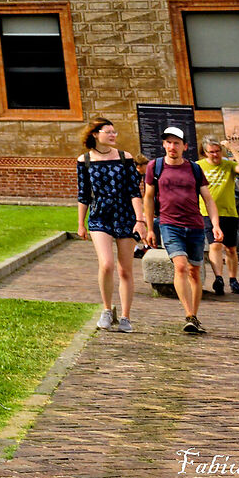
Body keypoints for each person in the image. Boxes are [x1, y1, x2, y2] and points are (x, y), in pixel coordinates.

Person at [143, 125, 225, 334]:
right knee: (180, 266)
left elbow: (208, 198)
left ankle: (194, 316)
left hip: (195, 226)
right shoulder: (156, 166)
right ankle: (188, 314)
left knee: (194, 272)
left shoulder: (194, 169)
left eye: (176, 143)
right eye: (168, 142)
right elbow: (149, 197)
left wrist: (215, 225)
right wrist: (149, 227)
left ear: (184, 146)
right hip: (170, 224)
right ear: (163, 145)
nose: (172, 146)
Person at [74, 116, 143, 333]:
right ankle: (106, 309)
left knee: (125, 269)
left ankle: (125, 316)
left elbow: (134, 192)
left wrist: (140, 221)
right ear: (95, 134)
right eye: (108, 131)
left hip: (125, 215)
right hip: (99, 215)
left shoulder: (125, 158)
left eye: (114, 132)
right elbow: (83, 195)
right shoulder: (84, 160)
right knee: (106, 265)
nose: (113, 135)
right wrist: (81, 224)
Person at [198, 139, 239, 296]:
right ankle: (219, 278)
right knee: (215, 244)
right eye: (211, 152)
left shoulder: (228, 165)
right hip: (206, 212)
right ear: (204, 153)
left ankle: (233, 279)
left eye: (218, 151)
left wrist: (231, 148)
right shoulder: (199, 166)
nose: (215, 155)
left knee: (231, 248)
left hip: (229, 212)